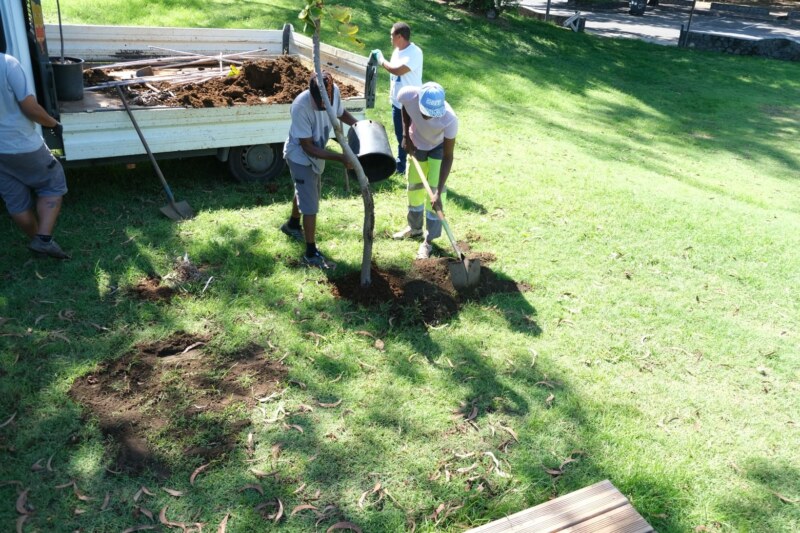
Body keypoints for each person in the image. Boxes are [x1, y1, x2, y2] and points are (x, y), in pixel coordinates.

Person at [280, 71, 357, 269]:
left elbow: (339, 112)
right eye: (319, 103)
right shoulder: (300, 106)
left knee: (306, 192)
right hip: (300, 156)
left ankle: (292, 225)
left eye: (327, 102)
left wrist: (358, 125)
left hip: (316, 153)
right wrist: (340, 158)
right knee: (311, 205)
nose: (324, 107)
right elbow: (307, 147)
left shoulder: (334, 92)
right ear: (312, 93)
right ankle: (310, 252)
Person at [0, 53, 69, 259]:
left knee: (15, 200)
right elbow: (30, 108)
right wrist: (53, 124)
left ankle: (37, 241)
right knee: (53, 182)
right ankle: (44, 239)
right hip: (20, 143)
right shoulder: (7, 64)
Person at [394, 82, 458, 259]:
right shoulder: (408, 95)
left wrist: (438, 189)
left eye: (431, 114)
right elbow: (405, 109)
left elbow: (448, 155)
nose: (427, 117)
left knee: (435, 193)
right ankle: (414, 228)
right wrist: (406, 135)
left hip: (438, 147)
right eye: (424, 112)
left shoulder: (450, 119)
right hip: (417, 143)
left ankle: (428, 240)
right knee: (414, 186)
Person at [370, 22, 423, 176]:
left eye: (392, 35)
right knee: (400, 135)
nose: (390, 38)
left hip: (411, 103)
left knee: (412, 136)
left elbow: (397, 70)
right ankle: (401, 165)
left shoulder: (415, 53)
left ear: (400, 36)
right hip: (397, 103)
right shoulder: (397, 51)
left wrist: (380, 59)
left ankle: (416, 165)